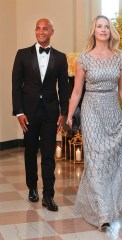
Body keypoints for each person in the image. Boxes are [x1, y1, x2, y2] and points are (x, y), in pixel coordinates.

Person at [67, 15, 122, 229]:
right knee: (95, 159)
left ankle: (107, 202)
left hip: (111, 108)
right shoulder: (83, 58)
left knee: (110, 159)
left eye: (106, 27)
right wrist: (70, 115)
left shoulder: (120, 57)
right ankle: (103, 214)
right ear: (93, 31)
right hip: (91, 109)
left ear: (110, 31)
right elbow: (76, 91)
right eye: (99, 26)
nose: (103, 30)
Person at [12, 18, 69, 211]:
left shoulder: (60, 58)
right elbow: (16, 86)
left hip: (50, 113)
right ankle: (32, 188)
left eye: (45, 28)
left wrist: (64, 112)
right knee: (30, 152)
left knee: (48, 154)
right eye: (38, 28)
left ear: (52, 31)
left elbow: (64, 87)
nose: (41, 32)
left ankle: (48, 195)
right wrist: (19, 112)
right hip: (28, 113)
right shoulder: (22, 54)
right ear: (35, 31)